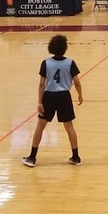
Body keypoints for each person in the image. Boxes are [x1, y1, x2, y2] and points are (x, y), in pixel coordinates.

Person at [22, 34, 84, 167]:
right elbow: (77, 82)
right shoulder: (70, 62)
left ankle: (32, 157)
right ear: (65, 48)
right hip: (64, 96)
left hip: (49, 96)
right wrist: (80, 95)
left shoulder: (46, 63)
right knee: (69, 126)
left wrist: (40, 101)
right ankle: (76, 157)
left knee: (40, 126)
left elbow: (41, 84)